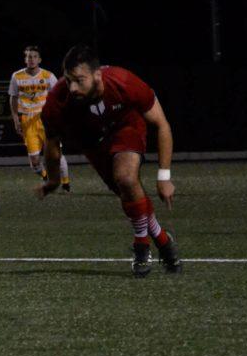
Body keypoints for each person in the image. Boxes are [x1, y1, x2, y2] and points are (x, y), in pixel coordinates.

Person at [35, 45, 182, 277]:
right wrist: (53, 180)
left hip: (126, 128)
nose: (72, 87)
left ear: (97, 75)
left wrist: (164, 176)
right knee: (130, 193)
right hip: (93, 143)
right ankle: (164, 241)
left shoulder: (124, 82)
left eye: (79, 80)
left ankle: (142, 247)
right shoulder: (57, 102)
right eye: (68, 80)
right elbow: (52, 147)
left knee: (125, 177)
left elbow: (162, 124)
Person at [8, 46, 70, 190]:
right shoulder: (17, 76)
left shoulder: (48, 76)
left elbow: (59, 96)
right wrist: (16, 119)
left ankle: (66, 182)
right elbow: (13, 98)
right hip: (27, 121)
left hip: (46, 120)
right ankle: (45, 175)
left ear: (39, 59)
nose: (31, 59)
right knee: (35, 161)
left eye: (34, 56)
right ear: (25, 59)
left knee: (56, 153)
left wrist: (58, 115)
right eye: (29, 57)